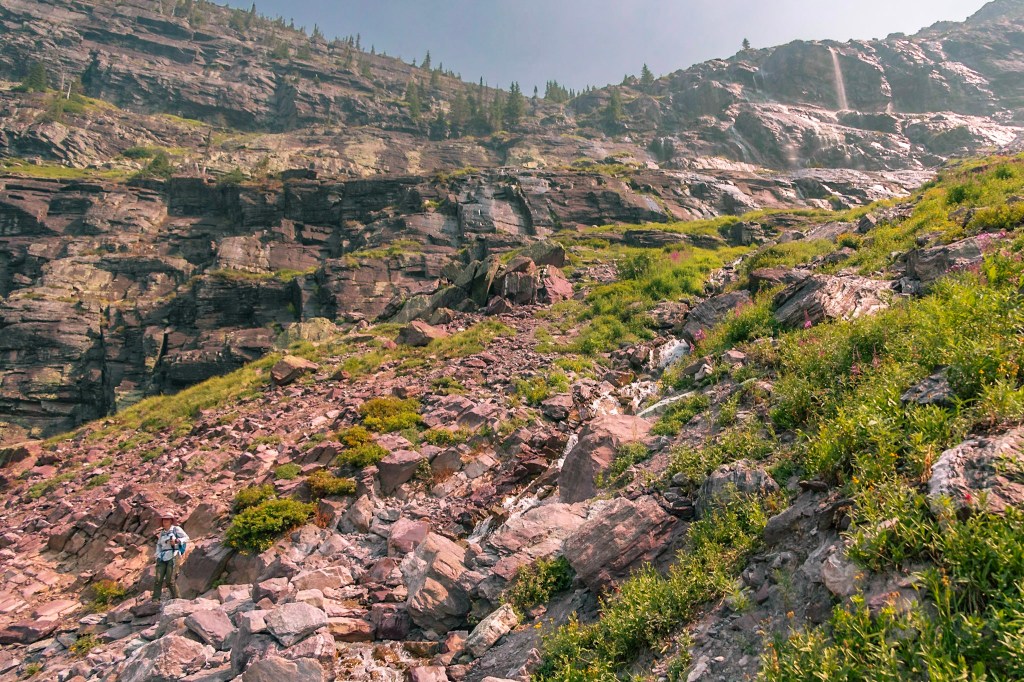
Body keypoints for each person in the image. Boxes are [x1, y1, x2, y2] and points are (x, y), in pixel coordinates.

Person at [153, 513, 189, 601]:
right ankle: (155, 599)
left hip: (173, 555)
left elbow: (186, 538)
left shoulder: (176, 529)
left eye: (168, 519)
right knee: (158, 578)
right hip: (162, 557)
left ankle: (177, 598)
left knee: (170, 580)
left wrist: (177, 541)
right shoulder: (162, 533)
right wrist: (157, 555)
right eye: (164, 519)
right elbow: (159, 545)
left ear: (171, 521)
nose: (165, 521)